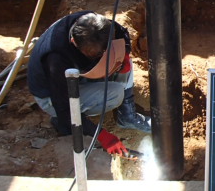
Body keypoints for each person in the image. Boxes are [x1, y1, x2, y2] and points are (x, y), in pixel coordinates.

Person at [27, 11, 151, 156]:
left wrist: (124, 55)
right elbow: (64, 107)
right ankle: (63, 125)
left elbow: (121, 34)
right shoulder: (56, 59)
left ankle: (127, 117)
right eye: (94, 55)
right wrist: (101, 135)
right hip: (52, 96)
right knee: (115, 93)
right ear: (74, 42)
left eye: (102, 52)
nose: (100, 56)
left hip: (82, 72)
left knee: (120, 54)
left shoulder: (95, 24)